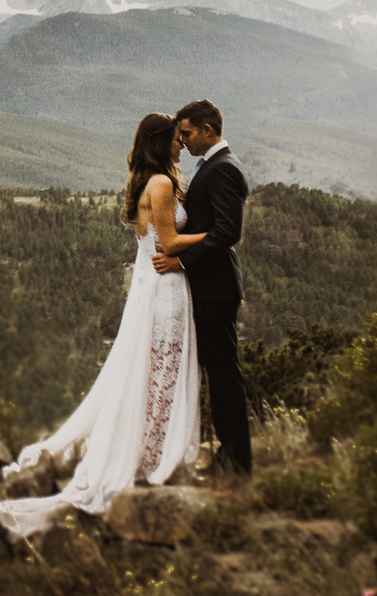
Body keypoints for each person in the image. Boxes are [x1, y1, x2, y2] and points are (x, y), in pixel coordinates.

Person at [0, 113, 203, 540]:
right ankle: (152, 456)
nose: (182, 146)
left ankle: (148, 451)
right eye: (177, 140)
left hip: (159, 287)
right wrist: (216, 235)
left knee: (158, 373)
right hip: (167, 292)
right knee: (163, 373)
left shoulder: (151, 182)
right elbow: (171, 242)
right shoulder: (160, 185)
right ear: (162, 143)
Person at [153, 99, 252, 475]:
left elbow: (229, 231)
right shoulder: (213, 166)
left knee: (224, 375)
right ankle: (227, 455)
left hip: (216, 288)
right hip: (208, 287)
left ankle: (237, 461)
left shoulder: (223, 169)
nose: (183, 139)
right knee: (217, 372)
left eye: (188, 132)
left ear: (208, 131)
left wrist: (181, 260)